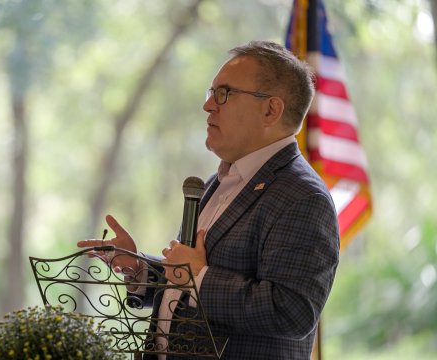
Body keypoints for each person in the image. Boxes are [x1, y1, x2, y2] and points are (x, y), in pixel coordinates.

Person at [78, 40, 340, 359]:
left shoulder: (302, 197)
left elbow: (292, 311)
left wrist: (201, 277)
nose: (208, 106)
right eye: (210, 92)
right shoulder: (217, 182)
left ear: (270, 110)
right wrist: (140, 270)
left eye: (224, 94)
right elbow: (186, 280)